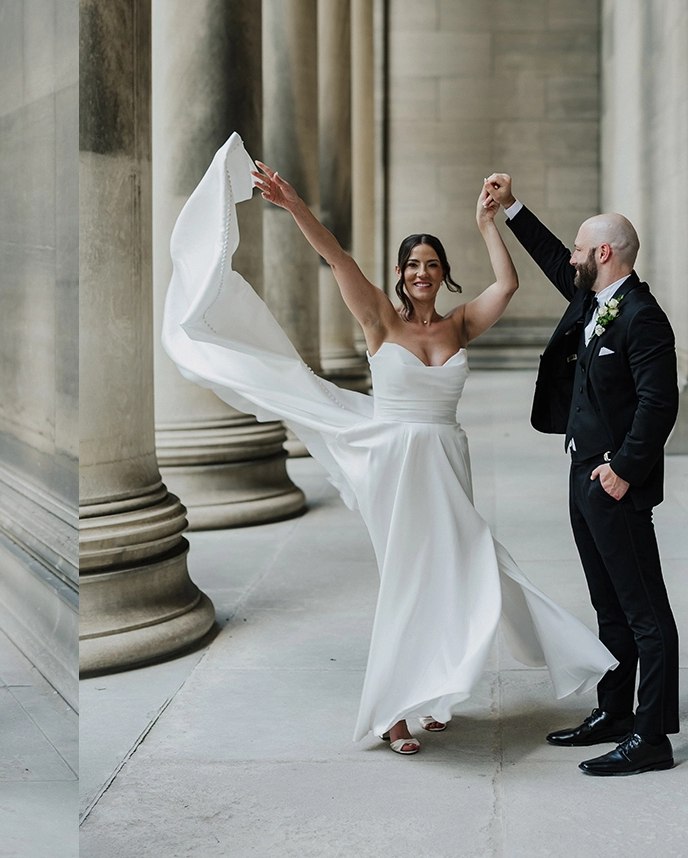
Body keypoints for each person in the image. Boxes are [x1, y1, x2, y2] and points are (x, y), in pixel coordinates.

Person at [160, 136, 614, 755]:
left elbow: (506, 285)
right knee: (409, 581)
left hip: (448, 463)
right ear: (400, 275)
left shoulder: (458, 325)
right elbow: (337, 257)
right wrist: (293, 204)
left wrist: (488, 223)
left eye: (431, 264)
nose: (421, 273)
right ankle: (394, 715)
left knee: (468, 570)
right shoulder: (379, 317)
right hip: (396, 465)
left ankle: (437, 689)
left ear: (442, 273)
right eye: (412, 265)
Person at [485, 173, 683, 777]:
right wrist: (511, 208)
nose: (569, 256)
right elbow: (550, 257)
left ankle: (652, 738)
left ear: (604, 254)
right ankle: (616, 713)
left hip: (615, 484)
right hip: (583, 477)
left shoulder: (640, 316)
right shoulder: (593, 300)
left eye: (579, 247)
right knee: (609, 607)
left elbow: (659, 403)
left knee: (647, 613)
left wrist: (622, 471)